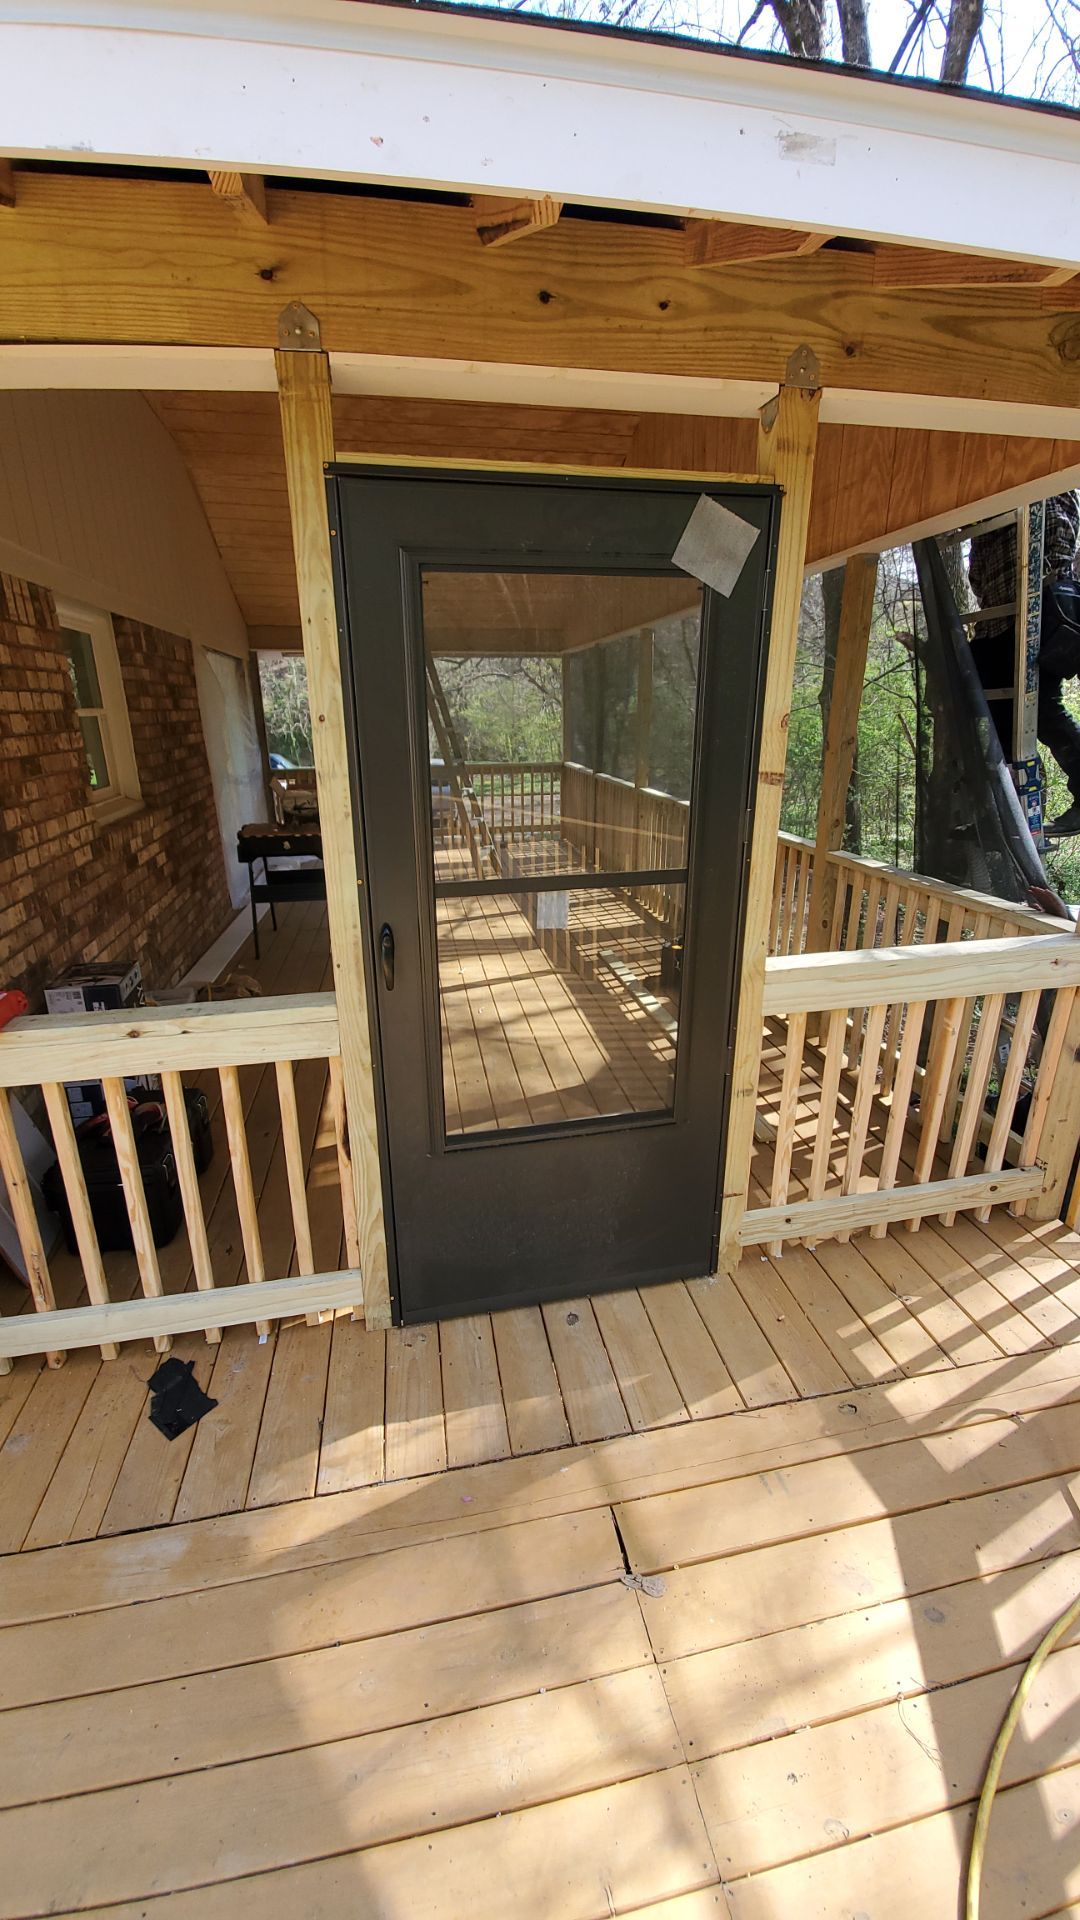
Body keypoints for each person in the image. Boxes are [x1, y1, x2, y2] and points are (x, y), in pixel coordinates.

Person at [968, 490, 1080, 833]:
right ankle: (1001, 815)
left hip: (1038, 612)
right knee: (994, 722)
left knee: (1042, 710)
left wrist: (1038, 583)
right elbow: (977, 574)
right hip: (996, 620)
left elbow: (1059, 540)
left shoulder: (1048, 489)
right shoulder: (987, 514)